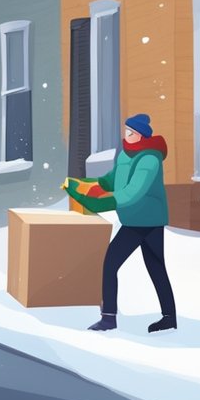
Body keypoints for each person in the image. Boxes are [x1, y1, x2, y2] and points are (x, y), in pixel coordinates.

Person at [68, 113, 177, 334]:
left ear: (141, 135)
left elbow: (132, 192)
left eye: (130, 132)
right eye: (125, 131)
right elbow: (111, 179)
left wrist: (98, 202)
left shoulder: (149, 159)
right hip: (134, 218)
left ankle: (108, 318)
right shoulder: (126, 154)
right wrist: (90, 185)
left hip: (144, 219)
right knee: (156, 267)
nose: (125, 135)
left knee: (110, 264)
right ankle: (169, 318)